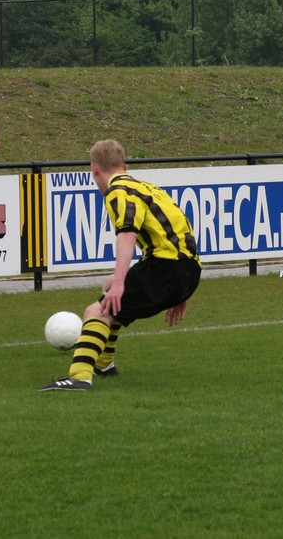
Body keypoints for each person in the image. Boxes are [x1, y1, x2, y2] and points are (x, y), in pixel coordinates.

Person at [39, 139, 202, 391]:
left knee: (97, 311)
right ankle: (104, 364)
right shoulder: (147, 188)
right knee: (109, 288)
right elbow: (182, 229)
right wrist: (181, 290)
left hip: (165, 267)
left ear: (94, 169)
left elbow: (127, 234)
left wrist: (119, 284)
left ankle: (80, 377)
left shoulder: (118, 190)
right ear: (124, 166)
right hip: (189, 269)